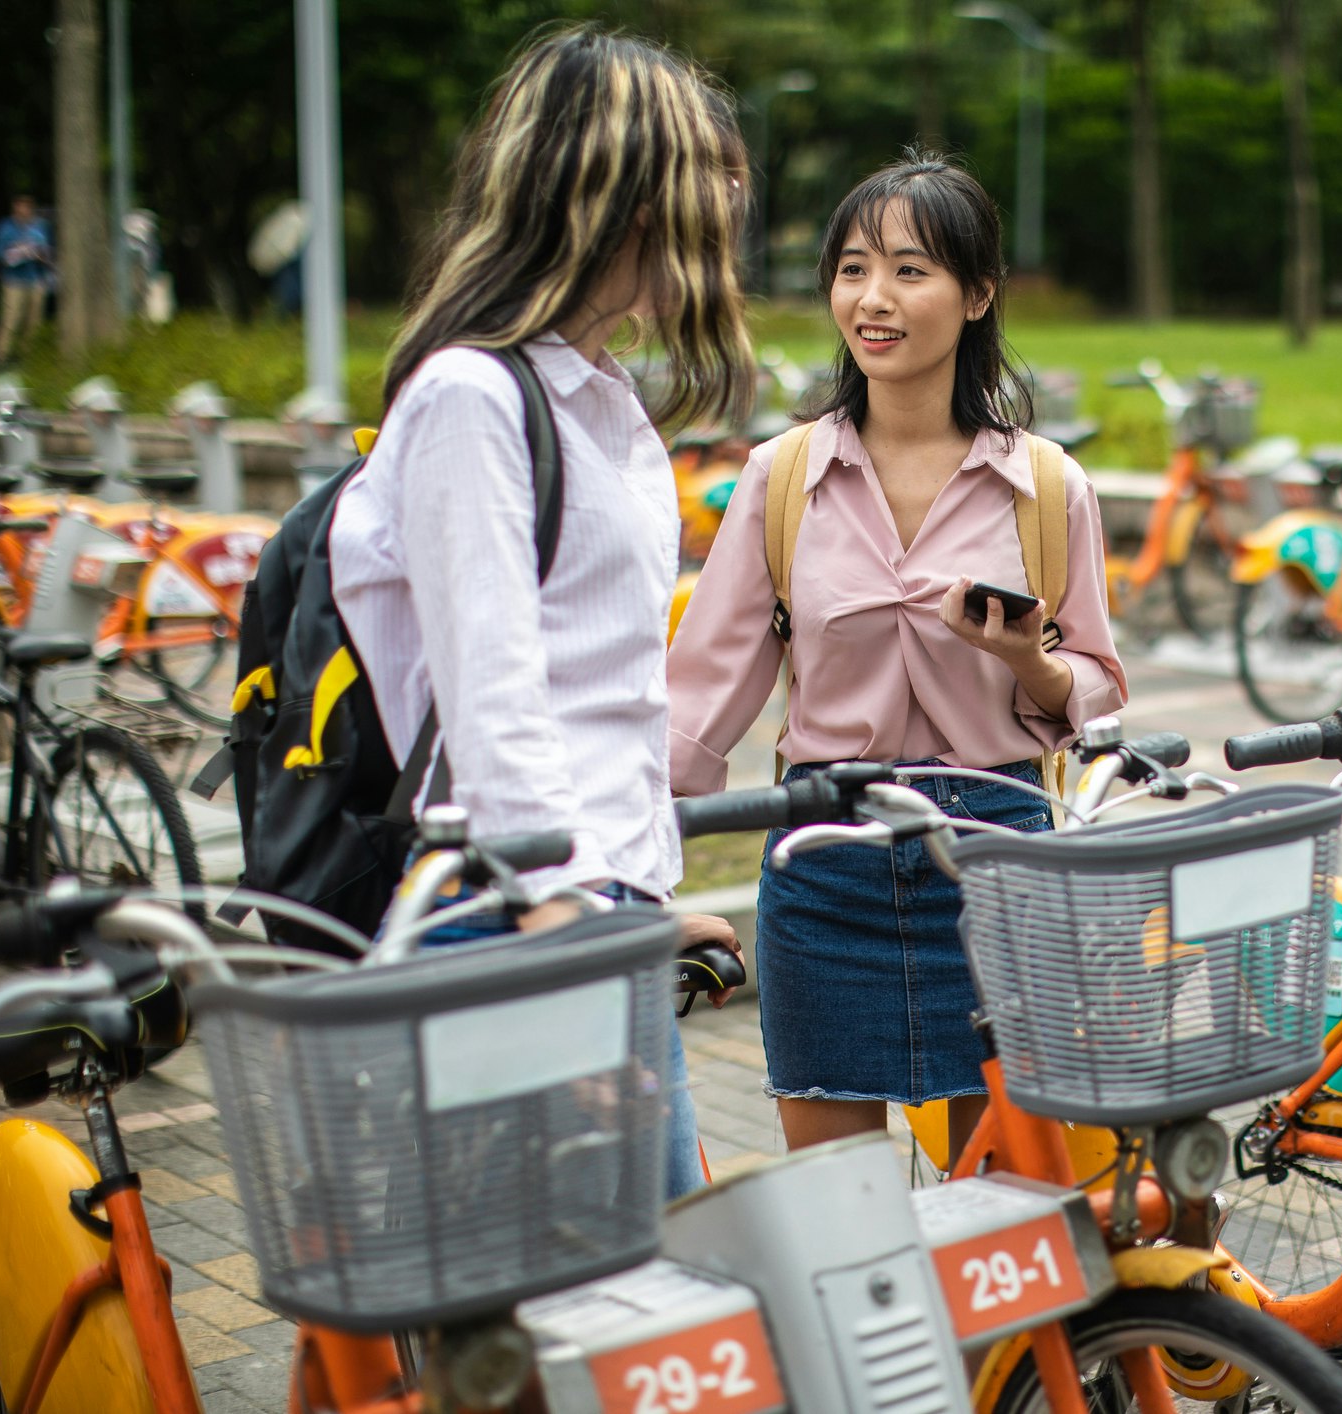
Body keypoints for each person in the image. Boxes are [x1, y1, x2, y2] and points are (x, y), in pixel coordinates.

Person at [327, 23, 755, 1200]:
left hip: (585, 912)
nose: (724, 222)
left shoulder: (603, 399)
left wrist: (637, 902)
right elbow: (497, 701)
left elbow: (600, 695)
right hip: (511, 923)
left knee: (624, 1328)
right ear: (618, 197)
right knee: (587, 1345)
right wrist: (566, 920)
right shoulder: (472, 397)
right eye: (703, 190)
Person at [668, 151, 1125, 1155]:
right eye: (852, 268)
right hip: (825, 864)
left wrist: (1031, 664)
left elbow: (1096, 688)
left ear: (978, 294)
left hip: (1000, 861)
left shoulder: (1046, 488)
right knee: (841, 1222)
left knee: (1003, 1225)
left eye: (911, 270)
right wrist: (634, 870)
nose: (874, 299)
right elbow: (698, 702)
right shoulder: (782, 478)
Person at [0, 196, 51, 364]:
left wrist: (40, 254)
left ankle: (29, 355)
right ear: (15, 208)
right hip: (13, 279)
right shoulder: (5, 228)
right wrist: (15, 252)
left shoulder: (39, 227)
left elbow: (47, 249)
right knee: (11, 317)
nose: (24, 211)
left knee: (34, 320)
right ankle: (1, 354)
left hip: (36, 277)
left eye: (27, 207)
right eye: (21, 207)